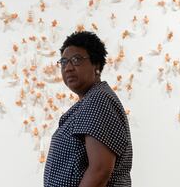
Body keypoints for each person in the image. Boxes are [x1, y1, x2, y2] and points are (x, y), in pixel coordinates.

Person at [44, 31, 133, 187]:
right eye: (64, 62)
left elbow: (100, 170)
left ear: (96, 65)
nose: (68, 68)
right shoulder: (89, 101)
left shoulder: (98, 99)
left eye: (76, 60)